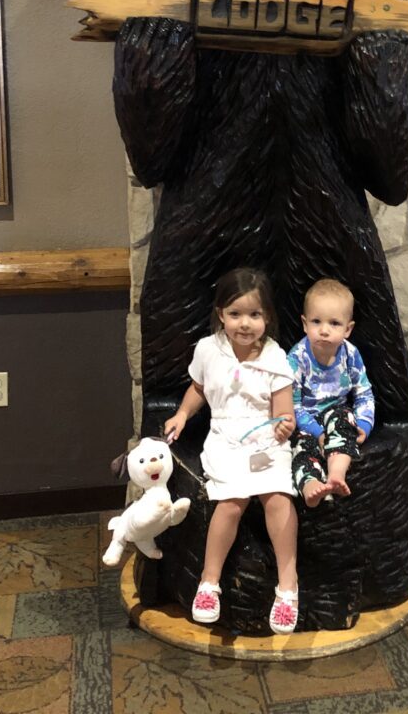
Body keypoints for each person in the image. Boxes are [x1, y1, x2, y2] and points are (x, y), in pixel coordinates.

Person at [163, 268, 299, 634]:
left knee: (277, 498)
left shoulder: (275, 357)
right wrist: (181, 414)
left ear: (267, 317)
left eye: (254, 315)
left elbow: (284, 412)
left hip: (266, 440)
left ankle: (288, 586)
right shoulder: (208, 349)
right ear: (221, 313)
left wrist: (284, 425)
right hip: (225, 437)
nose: (245, 323)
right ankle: (209, 582)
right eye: (236, 314)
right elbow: (198, 389)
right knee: (231, 501)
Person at [289, 279, 375, 507]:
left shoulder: (351, 355)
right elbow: (292, 404)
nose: (324, 330)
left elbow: (364, 393)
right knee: (300, 448)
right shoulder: (297, 358)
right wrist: (316, 432)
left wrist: (365, 424)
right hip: (305, 419)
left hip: (336, 412)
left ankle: (337, 474)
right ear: (305, 324)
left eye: (334, 323)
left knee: (343, 420)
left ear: (348, 329)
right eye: (316, 321)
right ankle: (310, 487)